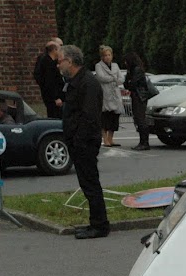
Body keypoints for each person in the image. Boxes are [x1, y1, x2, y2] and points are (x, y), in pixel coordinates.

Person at [58, 45, 109, 239]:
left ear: (70, 61)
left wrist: (78, 140)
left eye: (60, 61)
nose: (58, 65)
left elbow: (89, 116)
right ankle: (95, 222)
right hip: (78, 141)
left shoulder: (88, 83)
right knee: (87, 183)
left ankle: (100, 225)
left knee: (90, 183)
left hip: (85, 142)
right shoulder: (75, 82)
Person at [94, 45, 125, 147]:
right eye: (105, 55)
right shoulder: (99, 66)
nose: (107, 57)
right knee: (105, 117)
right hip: (105, 94)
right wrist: (114, 78)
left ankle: (111, 139)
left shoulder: (115, 65)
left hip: (115, 94)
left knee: (114, 117)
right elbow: (101, 77)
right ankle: (105, 139)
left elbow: (121, 78)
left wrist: (115, 79)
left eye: (109, 55)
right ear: (102, 57)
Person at [121, 52, 152, 150]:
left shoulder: (137, 70)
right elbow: (126, 84)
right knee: (138, 119)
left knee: (140, 119)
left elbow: (133, 83)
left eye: (126, 61)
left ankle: (144, 142)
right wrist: (128, 79)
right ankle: (142, 141)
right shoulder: (131, 70)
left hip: (139, 96)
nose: (125, 63)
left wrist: (129, 82)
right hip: (136, 96)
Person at [33, 40, 65, 118]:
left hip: (55, 96)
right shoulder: (47, 64)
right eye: (59, 48)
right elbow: (50, 82)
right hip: (53, 98)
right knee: (55, 115)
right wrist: (56, 97)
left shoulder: (52, 62)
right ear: (54, 50)